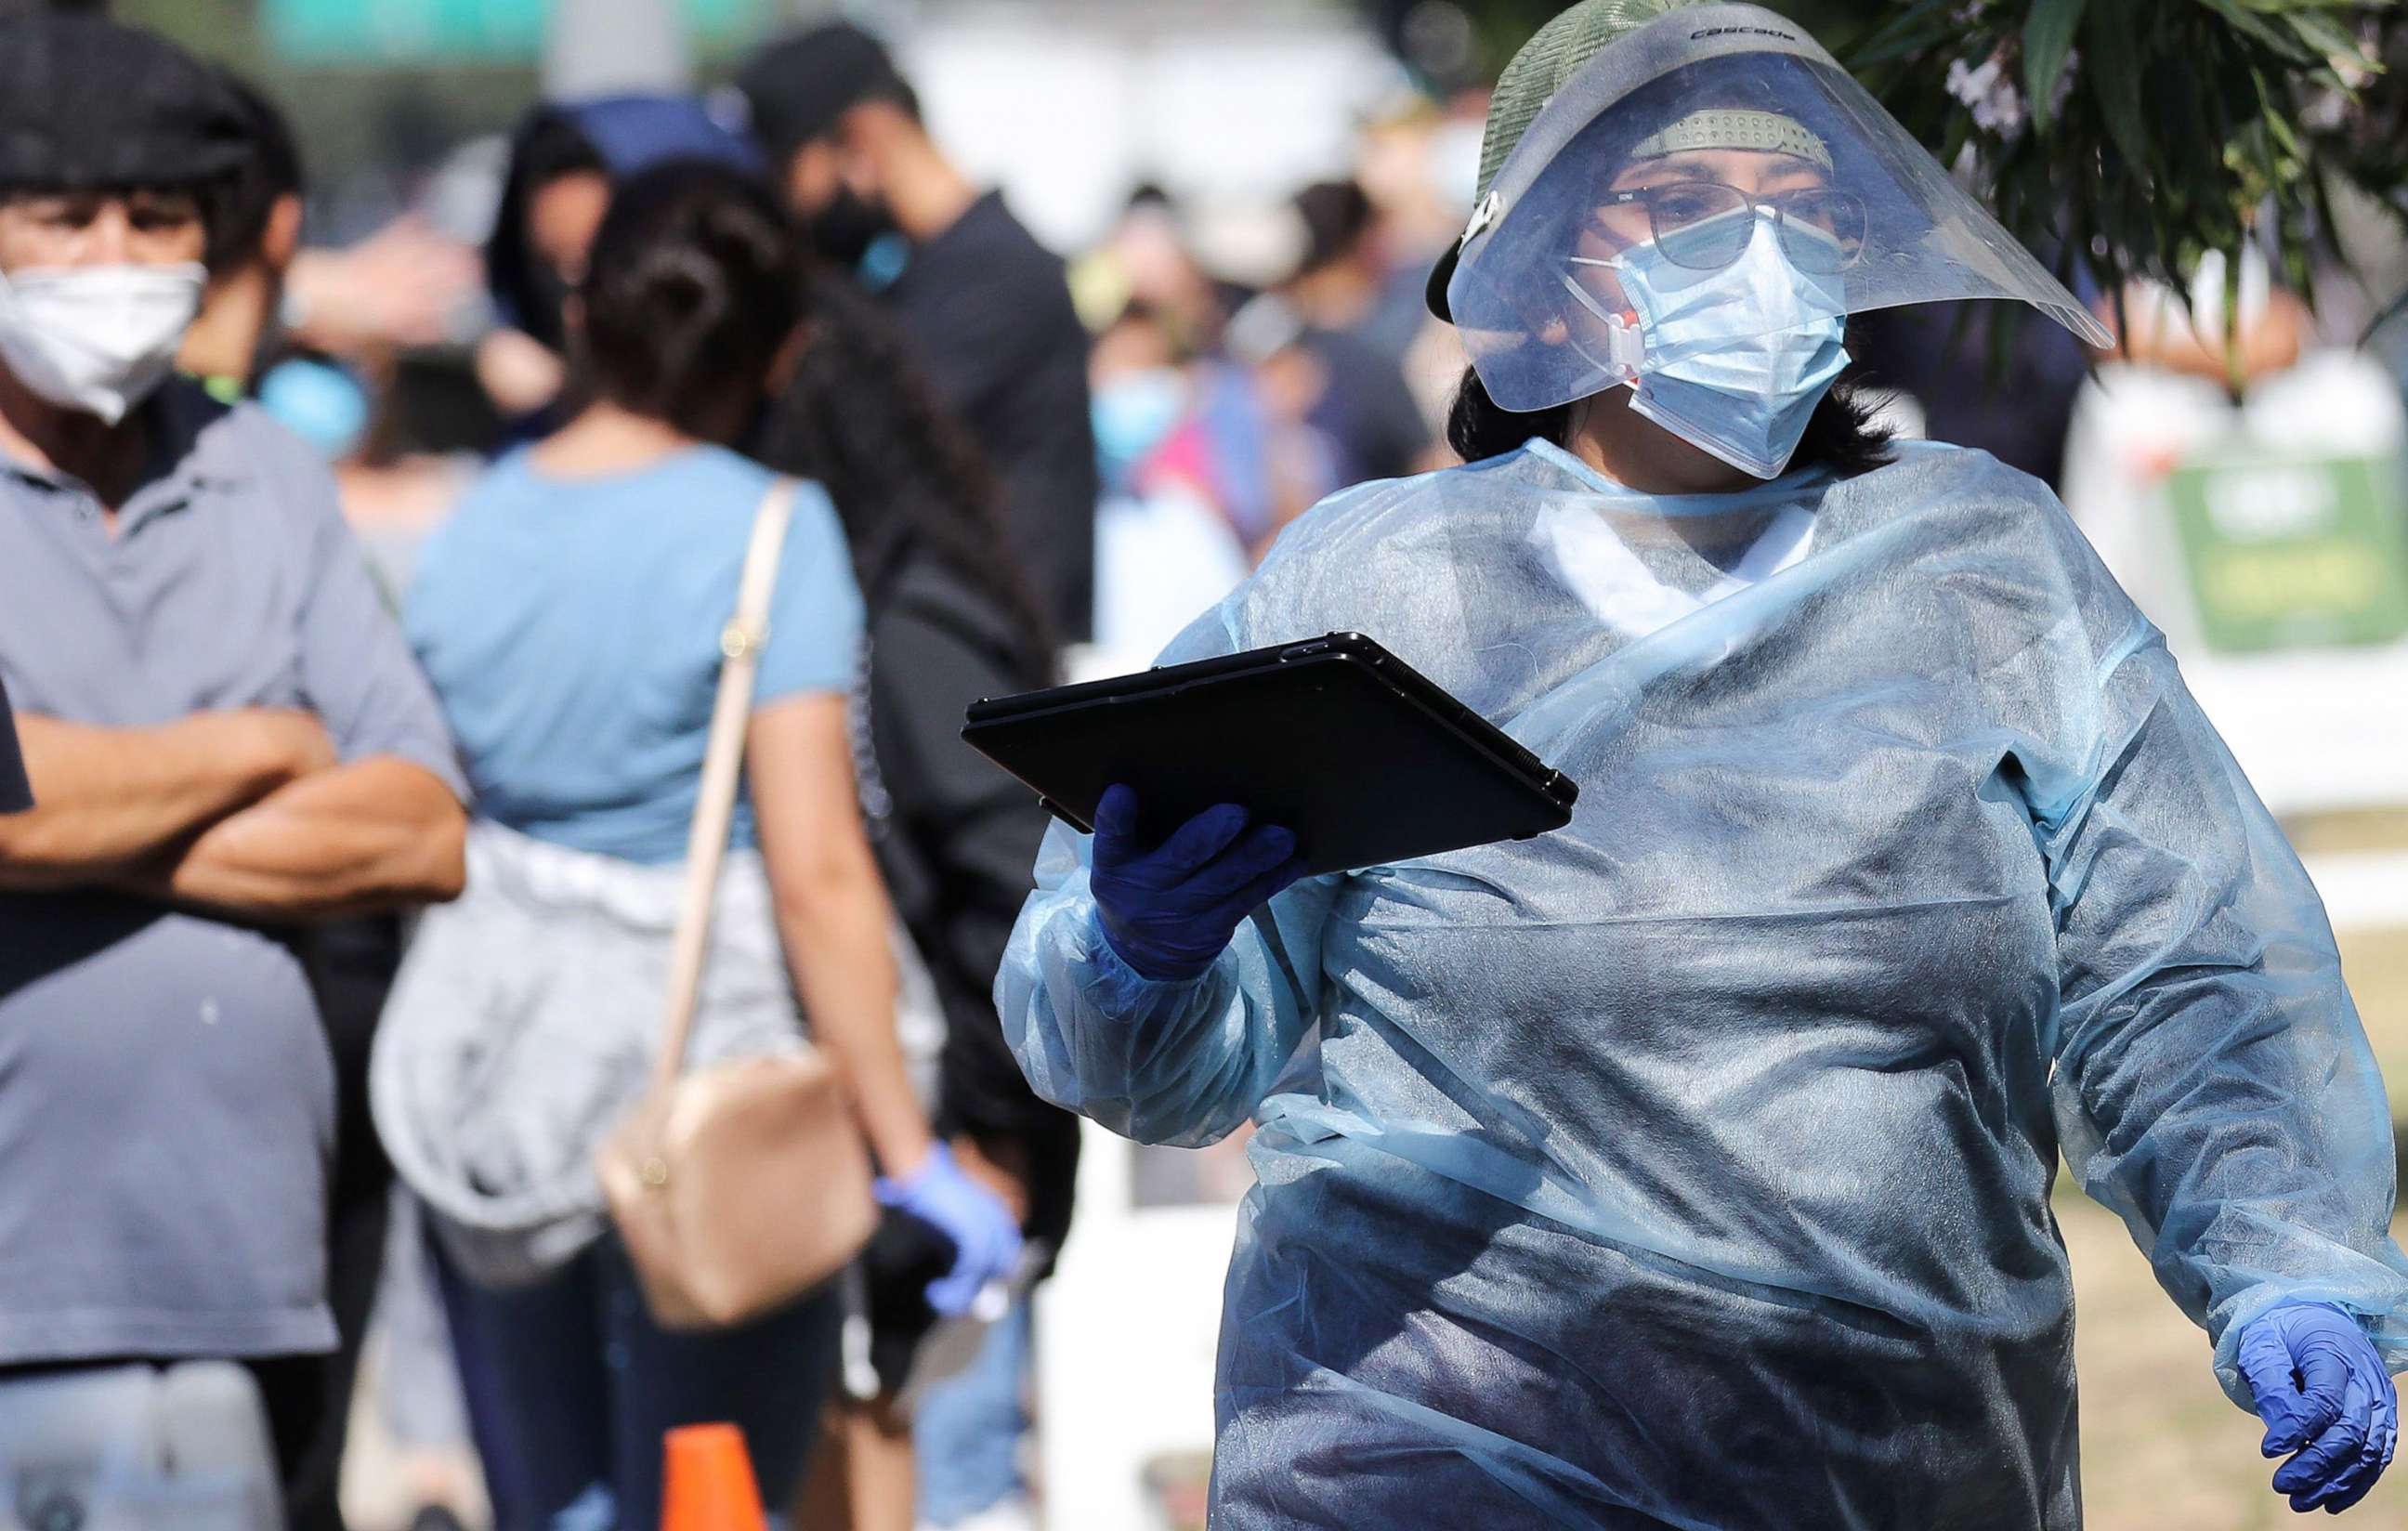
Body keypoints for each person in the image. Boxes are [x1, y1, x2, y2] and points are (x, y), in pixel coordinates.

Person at [995, 3, 2408, 1525]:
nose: (1756, 254)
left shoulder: (1982, 571)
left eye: (1801, 213)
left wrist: (2283, 1266)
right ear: (1533, 267)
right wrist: (1142, 948)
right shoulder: (1373, 592)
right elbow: (1153, 1057)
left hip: (1902, 1467)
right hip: (1431, 1467)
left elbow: (2186, 963)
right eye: (1677, 208)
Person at [378, 164, 1020, 1531]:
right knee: (719, 1487)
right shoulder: (768, 530)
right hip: (709, 1065)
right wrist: (911, 1156)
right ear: (781, 351)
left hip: (494, 1059)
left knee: (552, 1494)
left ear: (583, 316)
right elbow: (816, 872)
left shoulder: (467, 524)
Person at [0, 11, 469, 1514]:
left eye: (157, 218)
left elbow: (422, 828)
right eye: (63, 217)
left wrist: (75, 805)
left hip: (241, 1275)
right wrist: (266, 742)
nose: (115, 257)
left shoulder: (260, 469)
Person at [755, 270, 1078, 1531]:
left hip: (960, 1157)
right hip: (937, 1150)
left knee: (959, 1486)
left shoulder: (905, 626)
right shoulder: (907, 604)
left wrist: (992, 1144)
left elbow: (1013, 883)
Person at [737, 22, 1098, 644]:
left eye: (789, 175)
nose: (792, 207)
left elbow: (852, 435)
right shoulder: (929, 276)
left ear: (861, 139)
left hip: (1004, 683)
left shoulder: (993, 277)